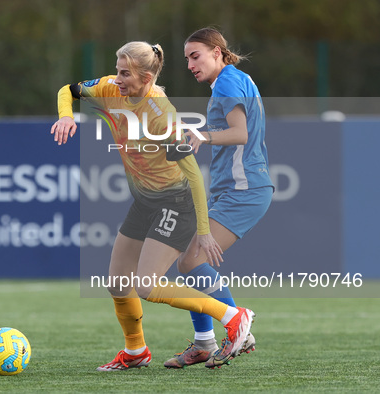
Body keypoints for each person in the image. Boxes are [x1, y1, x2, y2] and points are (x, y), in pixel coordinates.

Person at [51, 40, 255, 371]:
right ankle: (135, 352)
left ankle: (233, 316)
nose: (117, 79)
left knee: (146, 285)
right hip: (145, 200)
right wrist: (66, 117)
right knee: (118, 283)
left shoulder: (162, 117)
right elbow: (67, 90)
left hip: (176, 202)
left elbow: (193, 176)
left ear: (147, 78)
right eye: (117, 71)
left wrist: (203, 232)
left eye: (125, 74)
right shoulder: (108, 87)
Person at [162, 28, 274, 369]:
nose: (190, 64)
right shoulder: (235, 79)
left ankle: (237, 325)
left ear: (216, 52)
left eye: (195, 56)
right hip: (238, 189)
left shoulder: (226, 82)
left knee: (191, 260)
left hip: (245, 190)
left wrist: (203, 135)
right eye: (186, 59)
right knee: (188, 261)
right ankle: (204, 342)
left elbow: (239, 133)